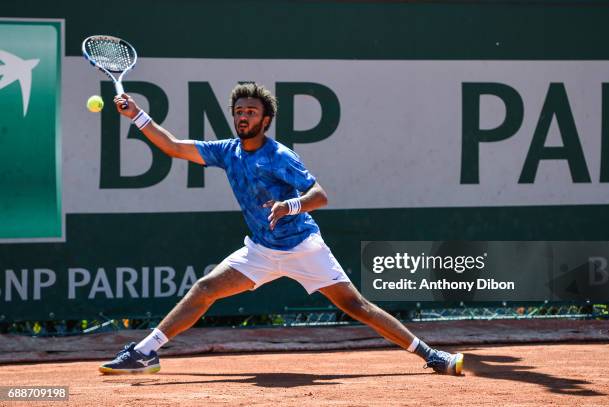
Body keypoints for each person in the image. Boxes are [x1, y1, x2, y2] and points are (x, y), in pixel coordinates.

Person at [99, 83, 463, 376]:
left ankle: (430, 355)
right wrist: (137, 115)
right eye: (239, 112)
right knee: (206, 288)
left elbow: (319, 195)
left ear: (266, 119)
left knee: (357, 306)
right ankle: (145, 352)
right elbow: (175, 148)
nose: (243, 117)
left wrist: (289, 205)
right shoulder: (227, 151)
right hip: (260, 250)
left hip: (303, 246)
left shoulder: (280, 156)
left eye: (251, 112)